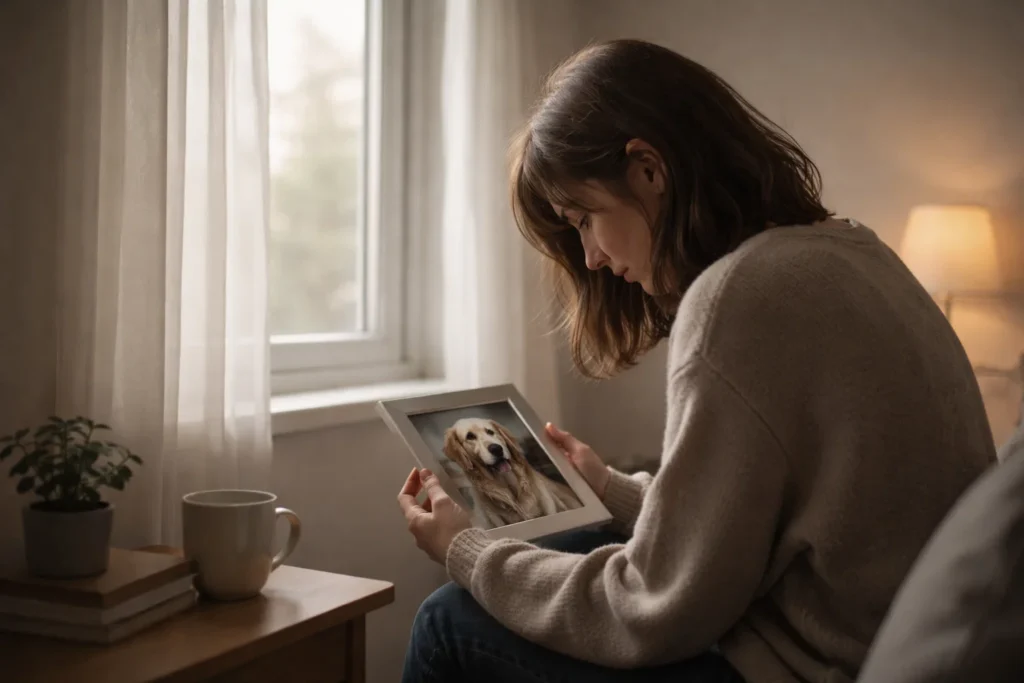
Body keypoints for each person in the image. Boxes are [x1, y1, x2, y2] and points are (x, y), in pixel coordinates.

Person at [396, 39, 996, 683]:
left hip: (821, 668)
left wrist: (465, 550)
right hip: (905, 643)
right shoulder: (859, 253)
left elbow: (651, 610)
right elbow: (756, 522)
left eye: (584, 218)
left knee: (446, 620)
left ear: (649, 170)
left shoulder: (739, 297)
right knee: (579, 541)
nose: (590, 257)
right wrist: (610, 488)